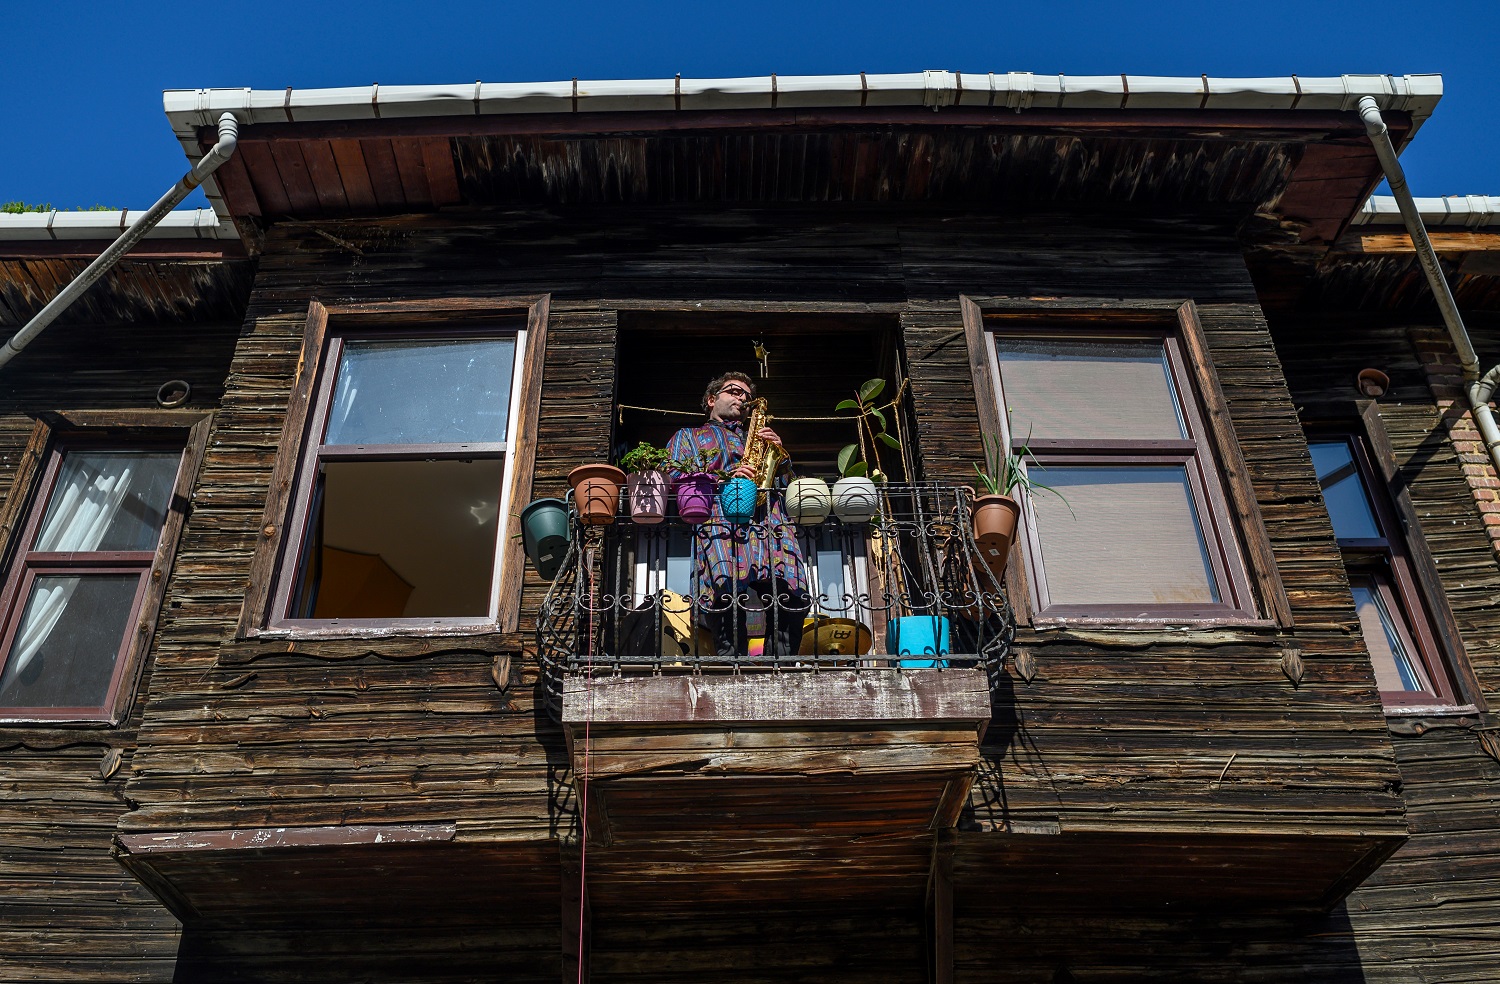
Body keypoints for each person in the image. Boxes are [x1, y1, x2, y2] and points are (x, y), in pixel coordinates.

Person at [666, 372, 810, 660]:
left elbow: (789, 484)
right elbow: (671, 475)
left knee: (791, 596)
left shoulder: (757, 437)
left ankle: (780, 664)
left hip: (769, 521)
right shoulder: (688, 436)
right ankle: (732, 664)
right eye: (733, 391)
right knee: (727, 595)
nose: (742, 398)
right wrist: (723, 476)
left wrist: (779, 454)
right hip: (722, 517)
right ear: (711, 400)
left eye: (745, 394)